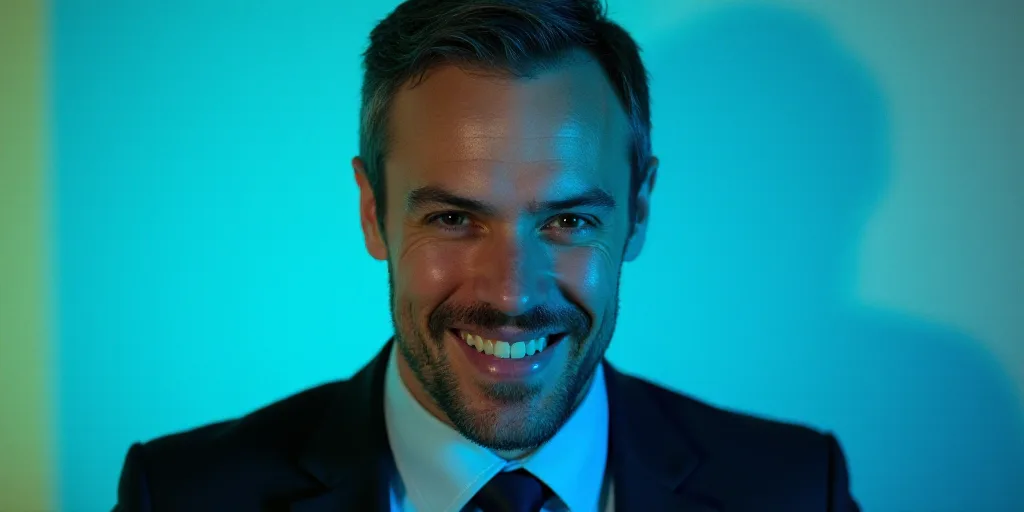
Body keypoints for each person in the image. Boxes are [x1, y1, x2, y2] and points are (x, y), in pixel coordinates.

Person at [113, 0, 861, 510]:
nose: (510, 294)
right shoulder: (180, 496)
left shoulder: (795, 490)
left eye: (567, 219)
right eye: (452, 217)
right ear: (372, 212)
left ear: (636, 213)